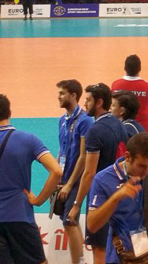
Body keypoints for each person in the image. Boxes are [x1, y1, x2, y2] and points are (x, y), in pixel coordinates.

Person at [0, 94, 62, 264]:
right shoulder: (29, 140)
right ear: (9, 112)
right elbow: (57, 171)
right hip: (20, 214)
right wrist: (39, 200)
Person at [86, 132, 148, 264]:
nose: (147, 171)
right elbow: (92, 225)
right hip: (120, 258)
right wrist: (116, 198)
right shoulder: (103, 180)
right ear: (127, 157)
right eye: (142, 166)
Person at [69, 83, 125, 264]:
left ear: (99, 102)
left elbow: (89, 173)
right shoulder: (119, 124)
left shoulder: (95, 131)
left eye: (88, 100)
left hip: (100, 198)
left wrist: (77, 204)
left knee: (100, 250)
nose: (85, 104)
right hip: (120, 194)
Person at [56, 79, 93, 264]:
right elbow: (61, 150)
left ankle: (78, 262)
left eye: (62, 93)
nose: (58, 96)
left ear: (73, 95)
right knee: (70, 221)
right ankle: (81, 261)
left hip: (77, 179)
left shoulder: (85, 121)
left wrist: (70, 184)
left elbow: (84, 156)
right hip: (64, 178)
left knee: (69, 221)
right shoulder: (62, 120)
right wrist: (57, 176)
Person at [111, 54, 148, 134]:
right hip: (143, 129)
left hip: (121, 128)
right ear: (140, 69)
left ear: (125, 68)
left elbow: (112, 104)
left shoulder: (115, 85)